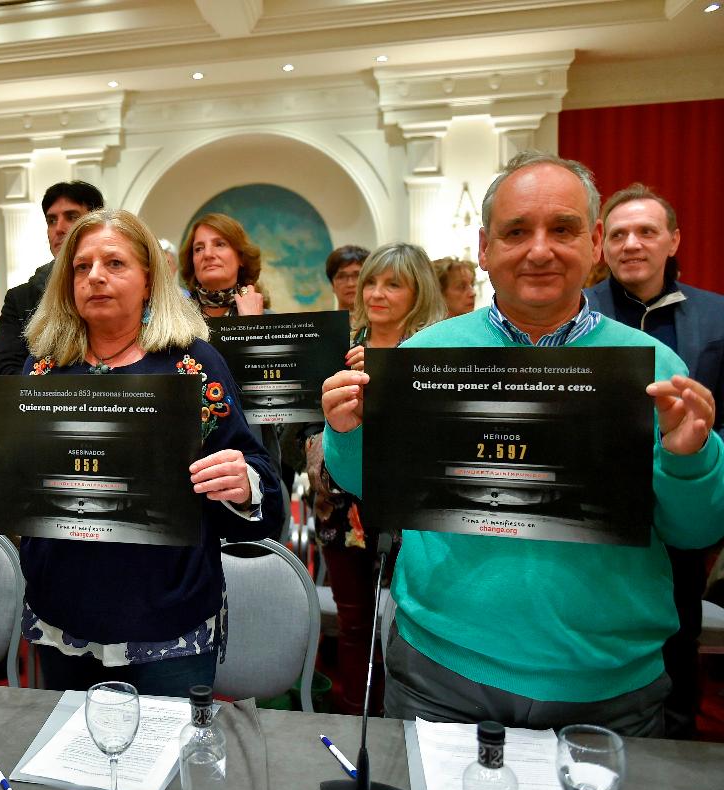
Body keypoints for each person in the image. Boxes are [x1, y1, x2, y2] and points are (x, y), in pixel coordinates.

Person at [321, 151, 724, 736]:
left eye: (561, 229)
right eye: (516, 232)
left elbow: (695, 530)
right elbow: (375, 486)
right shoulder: (426, 353)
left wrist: (691, 458)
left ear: (591, 244)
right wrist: (347, 431)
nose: (539, 250)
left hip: (605, 686)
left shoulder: (655, 368)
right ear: (486, 249)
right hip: (441, 671)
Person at [0, 209, 284, 697]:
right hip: (63, 615)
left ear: (149, 280)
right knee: (67, 765)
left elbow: (263, 489)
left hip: (166, 621)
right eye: (82, 267)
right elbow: (24, 487)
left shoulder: (192, 363)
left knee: (163, 768)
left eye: (114, 263)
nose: (95, 277)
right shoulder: (42, 369)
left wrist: (242, 481)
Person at [587, 182, 724, 738]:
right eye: (618, 234)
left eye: (646, 231)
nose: (631, 244)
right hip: (597, 511)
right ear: (602, 245)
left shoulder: (717, 318)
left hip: (687, 500)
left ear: (673, 240)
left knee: (679, 627)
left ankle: (675, 739)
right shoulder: (575, 311)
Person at [305, 242, 445, 716]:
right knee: (354, 624)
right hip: (342, 509)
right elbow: (308, 431)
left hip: (415, 514)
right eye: (370, 282)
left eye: (393, 284)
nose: (375, 293)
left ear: (418, 293)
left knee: (408, 621)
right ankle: (353, 716)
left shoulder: (436, 356)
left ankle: (400, 714)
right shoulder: (337, 353)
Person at [179, 213, 284, 488]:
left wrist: (250, 328)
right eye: (198, 248)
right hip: (187, 452)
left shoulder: (269, 319)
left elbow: (277, 399)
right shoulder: (175, 323)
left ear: (240, 257)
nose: (208, 254)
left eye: (219, 244)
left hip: (249, 453)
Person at [0, 180, 104, 375]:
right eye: (51, 220)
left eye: (71, 217)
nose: (59, 228)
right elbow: (3, 374)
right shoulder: (21, 298)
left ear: (97, 223)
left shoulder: (112, 286)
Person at [325, 245, 369, 313]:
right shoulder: (320, 323)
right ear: (332, 285)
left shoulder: (383, 322)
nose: (350, 284)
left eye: (357, 275)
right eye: (341, 277)